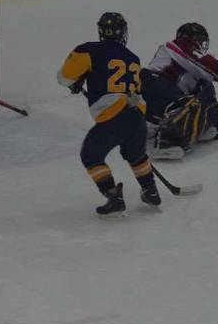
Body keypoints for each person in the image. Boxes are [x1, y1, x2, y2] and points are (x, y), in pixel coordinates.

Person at [57, 12, 161, 216]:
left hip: (114, 116)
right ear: (123, 32)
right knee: (136, 155)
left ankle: (113, 196)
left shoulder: (87, 50)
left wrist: (77, 80)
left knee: (91, 155)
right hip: (137, 116)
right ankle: (151, 191)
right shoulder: (133, 58)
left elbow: (64, 78)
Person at [140, 23, 218, 159]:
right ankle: (167, 140)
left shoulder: (195, 70)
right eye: (200, 40)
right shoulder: (177, 45)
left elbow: (203, 95)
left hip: (163, 103)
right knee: (197, 98)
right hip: (153, 86)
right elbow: (203, 61)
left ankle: (196, 127)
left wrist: (217, 114)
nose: (201, 45)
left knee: (203, 92)